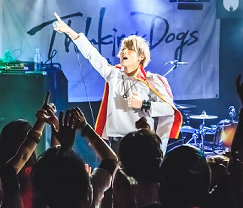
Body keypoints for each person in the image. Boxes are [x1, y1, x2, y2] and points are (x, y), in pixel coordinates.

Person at [54, 19, 182, 153]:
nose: (124, 52)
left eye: (130, 49)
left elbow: (169, 109)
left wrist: (143, 104)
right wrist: (69, 31)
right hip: (117, 143)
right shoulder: (113, 74)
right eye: (122, 49)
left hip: (143, 143)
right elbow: (92, 55)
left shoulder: (151, 80)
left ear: (141, 56)